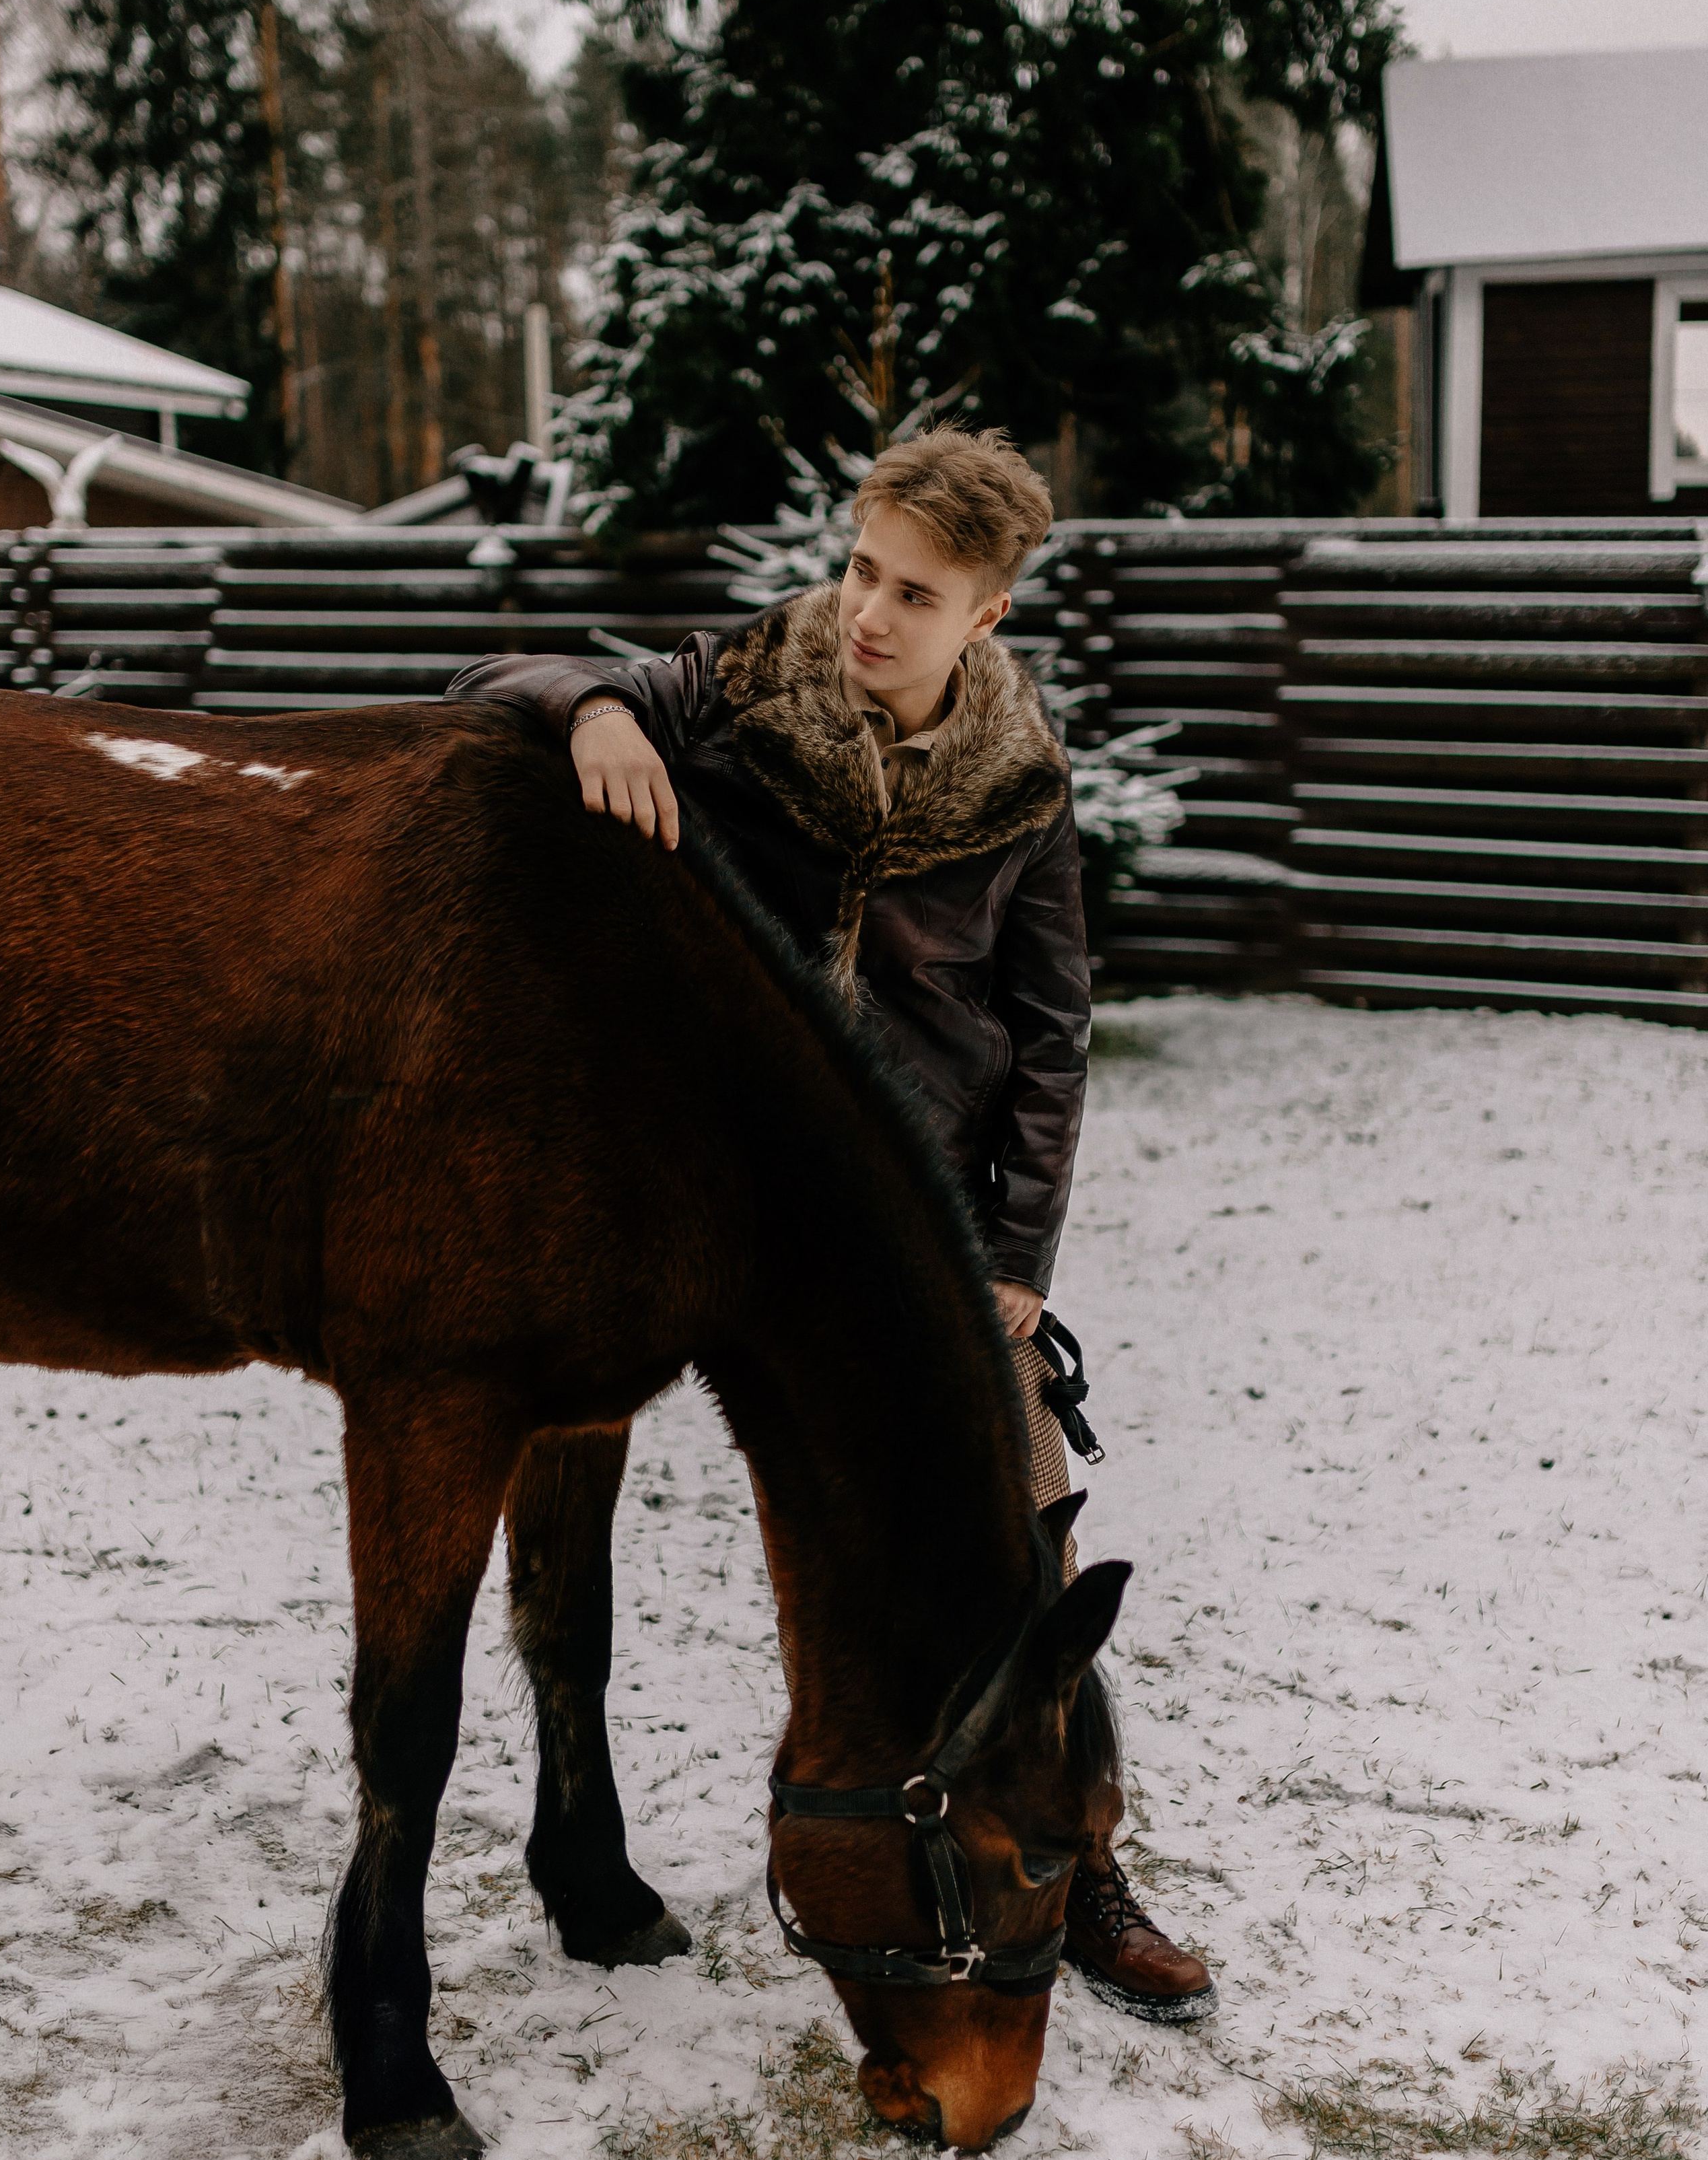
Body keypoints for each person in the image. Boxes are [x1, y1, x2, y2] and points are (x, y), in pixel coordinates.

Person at [446, 425, 1217, 2026]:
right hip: (712, 1192)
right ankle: (573, 1810)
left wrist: (1013, 1263)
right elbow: (499, 671)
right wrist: (594, 706)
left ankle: (1076, 1867)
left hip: (909, 1216)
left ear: (985, 616)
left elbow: (1050, 1031)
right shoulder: (740, 686)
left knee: (1021, 1526)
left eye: (913, 593)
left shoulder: (1022, 786)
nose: (866, 612)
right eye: (859, 568)